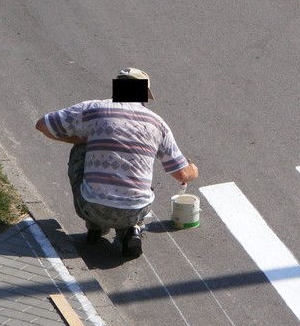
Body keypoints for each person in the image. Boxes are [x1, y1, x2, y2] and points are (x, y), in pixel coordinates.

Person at [35, 68, 199, 258]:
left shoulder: (93, 109)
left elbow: (42, 125)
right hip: (136, 209)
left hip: (91, 207)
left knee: (81, 149)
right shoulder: (156, 123)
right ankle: (131, 230)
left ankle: (95, 226)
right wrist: (193, 170)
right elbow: (183, 174)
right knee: (139, 167)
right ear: (144, 95)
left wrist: (80, 140)